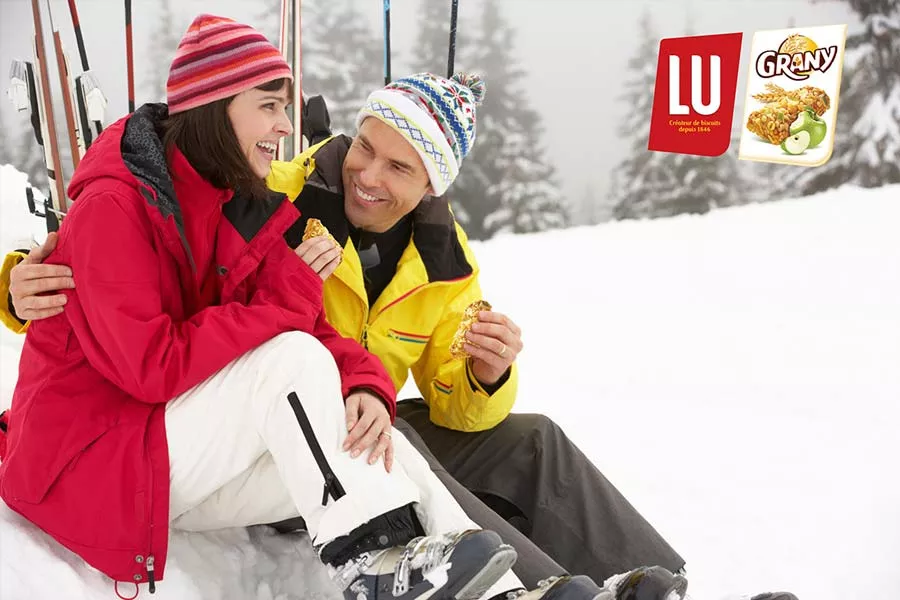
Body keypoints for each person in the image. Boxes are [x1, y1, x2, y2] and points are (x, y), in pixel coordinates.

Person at [0, 14, 637, 600]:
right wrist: (11, 286)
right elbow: (156, 361)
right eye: (271, 107)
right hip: (97, 460)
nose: (287, 125)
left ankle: (509, 591)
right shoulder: (133, 201)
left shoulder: (246, 203)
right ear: (214, 107)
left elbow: (320, 329)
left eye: (401, 168)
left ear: (428, 189)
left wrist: (367, 386)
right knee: (293, 357)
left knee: (378, 435)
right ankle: (369, 561)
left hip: (183, 450)